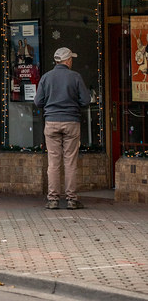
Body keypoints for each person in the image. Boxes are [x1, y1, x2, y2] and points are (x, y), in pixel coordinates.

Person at [34, 46, 91, 210]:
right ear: (67, 60)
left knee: (53, 162)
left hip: (51, 122)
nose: (72, 61)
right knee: (70, 162)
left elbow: (38, 102)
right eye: (71, 58)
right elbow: (85, 100)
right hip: (71, 122)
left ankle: (53, 199)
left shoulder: (46, 77)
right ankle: (72, 199)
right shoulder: (75, 77)